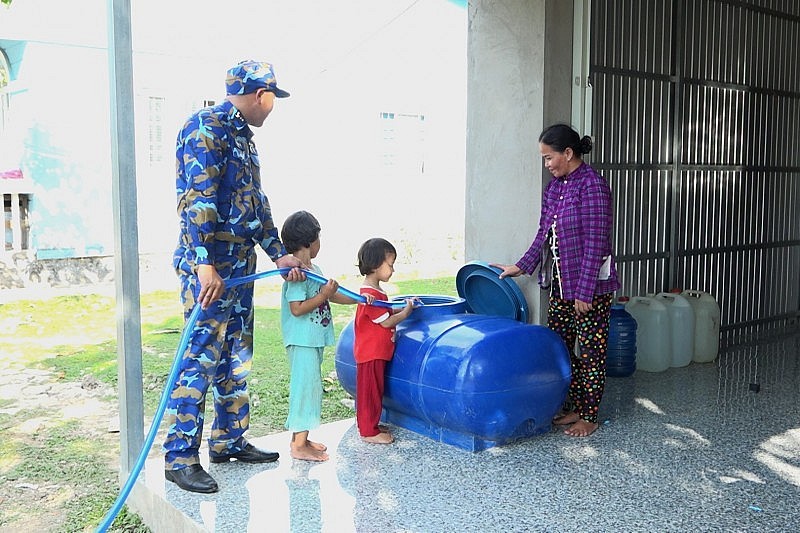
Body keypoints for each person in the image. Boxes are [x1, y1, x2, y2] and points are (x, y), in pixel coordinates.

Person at [164, 60, 304, 494]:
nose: (272, 108)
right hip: (210, 269)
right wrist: (204, 261)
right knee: (200, 357)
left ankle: (228, 440)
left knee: (237, 356)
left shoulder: (243, 138)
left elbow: (255, 203)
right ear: (262, 95)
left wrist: (278, 254)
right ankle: (179, 457)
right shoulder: (205, 127)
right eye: (272, 100)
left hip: (239, 266)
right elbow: (197, 197)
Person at [491, 123, 619, 438]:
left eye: (549, 158)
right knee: (559, 348)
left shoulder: (593, 186)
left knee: (591, 351)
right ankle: (576, 403)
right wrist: (521, 266)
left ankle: (589, 415)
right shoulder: (555, 188)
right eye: (544, 159)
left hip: (589, 289)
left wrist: (585, 291)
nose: (547, 165)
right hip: (560, 286)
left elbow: (596, 243)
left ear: (568, 153)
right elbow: (543, 235)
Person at [280, 211, 369, 461]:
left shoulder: (313, 268)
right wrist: (323, 295)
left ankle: (302, 439)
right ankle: (298, 446)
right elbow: (296, 309)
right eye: (319, 238)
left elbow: (331, 294)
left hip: (313, 340)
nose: (321, 243)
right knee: (305, 390)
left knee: (310, 388)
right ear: (309, 241)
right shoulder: (296, 273)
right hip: (302, 341)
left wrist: (360, 300)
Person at [353, 238, 417, 444]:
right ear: (375, 265)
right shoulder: (369, 294)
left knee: (373, 390)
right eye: (390, 265)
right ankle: (369, 432)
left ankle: (369, 425)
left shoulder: (376, 292)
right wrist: (406, 313)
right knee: (370, 392)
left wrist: (404, 306)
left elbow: (386, 311)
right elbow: (387, 322)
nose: (393, 270)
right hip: (371, 353)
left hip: (376, 352)